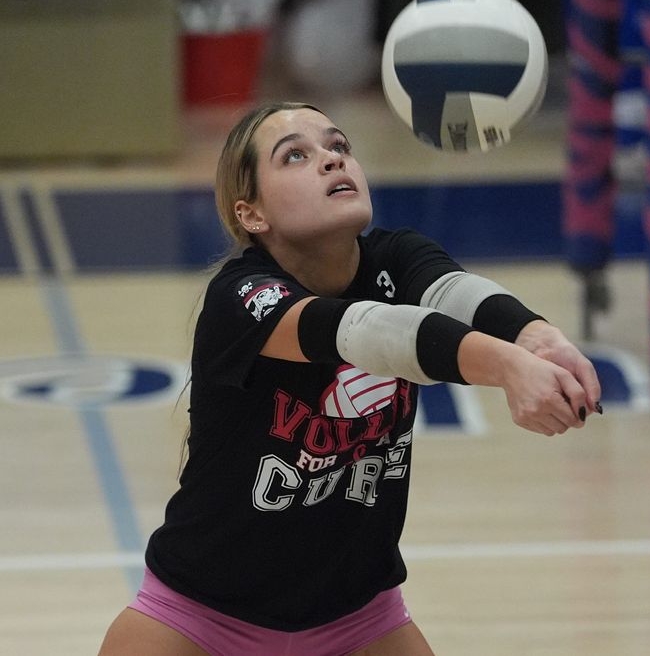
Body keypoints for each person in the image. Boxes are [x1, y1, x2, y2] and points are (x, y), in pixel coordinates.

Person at [99, 102, 603, 655]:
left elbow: (459, 295)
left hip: (359, 622)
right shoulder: (240, 296)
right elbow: (368, 331)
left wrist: (536, 337)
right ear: (252, 214)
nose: (331, 161)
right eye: (296, 156)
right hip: (199, 622)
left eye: (339, 147)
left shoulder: (398, 255)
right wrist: (506, 366)